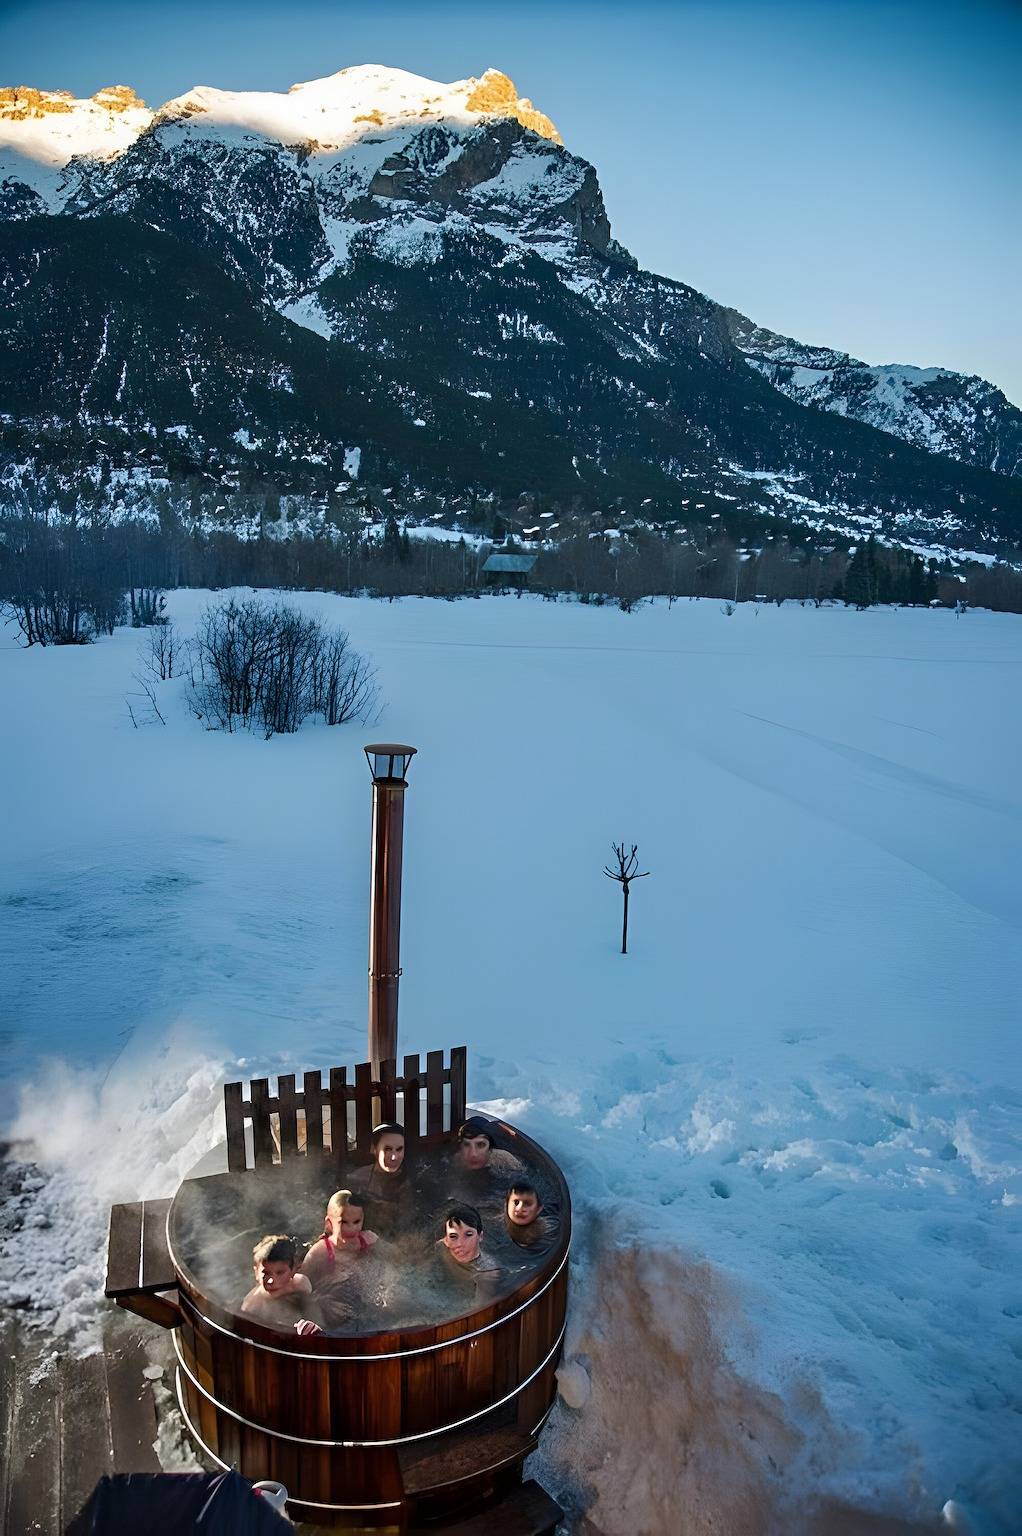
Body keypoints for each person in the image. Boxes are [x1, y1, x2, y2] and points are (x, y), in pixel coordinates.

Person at [299, 1190, 378, 1331]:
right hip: (334, 1315)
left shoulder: (368, 1240)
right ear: (329, 1223)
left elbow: (398, 1258)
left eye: (357, 1222)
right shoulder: (320, 1252)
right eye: (344, 1222)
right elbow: (299, 1288)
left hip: (364, 1308)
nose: (352, 1228)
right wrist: (321, 1302)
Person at [348, 1122, 411, 1236]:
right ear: (374, 1149)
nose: (394, 1157)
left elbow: (408, 1221)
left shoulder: (409, 1181)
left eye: (399, 1149)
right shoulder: (356, 1179)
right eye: (387, 1149)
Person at [239, 1234, 313, 1329]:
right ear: (256, 1272)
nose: (271, 1281)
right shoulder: (252, 1306)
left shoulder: (301, 1285)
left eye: (280, 1273)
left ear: (293, 1271)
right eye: (266, 1273)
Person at [435, 1203, 503, 1301]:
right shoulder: (441, 1248)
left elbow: (480, 1308)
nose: (460, 1244)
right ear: (446, 1240)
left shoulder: (488, 1273)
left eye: (468, 1235)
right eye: (453, 1236)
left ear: (480, 1236)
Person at [448, 1117, 524, 1200]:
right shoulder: (458, 1159)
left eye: (480, 1145)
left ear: (490, 1148)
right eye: (466, 1144)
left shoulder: (504, 1159)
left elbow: (523, 1183)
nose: (473, 1154)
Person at [504, 1181, 558, 1256]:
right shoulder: (494, 1226)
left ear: (539, 1209)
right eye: (516, 1202)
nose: (520, 1208)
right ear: (507, 1205)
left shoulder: (551, 1233)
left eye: (527, 1204)